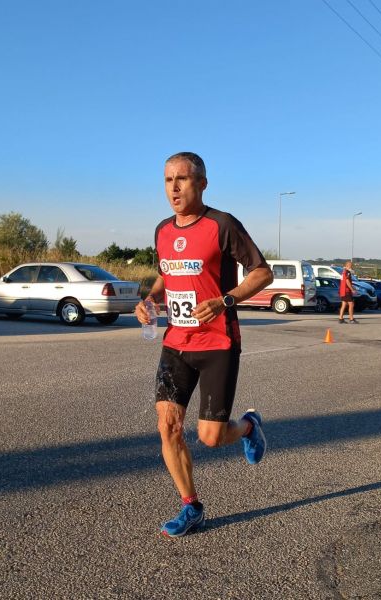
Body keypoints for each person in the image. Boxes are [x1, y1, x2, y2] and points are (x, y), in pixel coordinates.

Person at [135, 152, 273, 537]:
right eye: (167, 180)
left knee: (210, 438)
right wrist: (150, 301)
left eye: (182, 179)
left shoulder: (222, 225)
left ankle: (247, 427)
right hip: (176, 342)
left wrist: (225, 300)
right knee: (168, 426)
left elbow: (263, 272)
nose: (174, 188)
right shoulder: (163, 231)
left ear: (202, 183)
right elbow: (167, 276)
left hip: (218, 342)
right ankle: (191, 506)